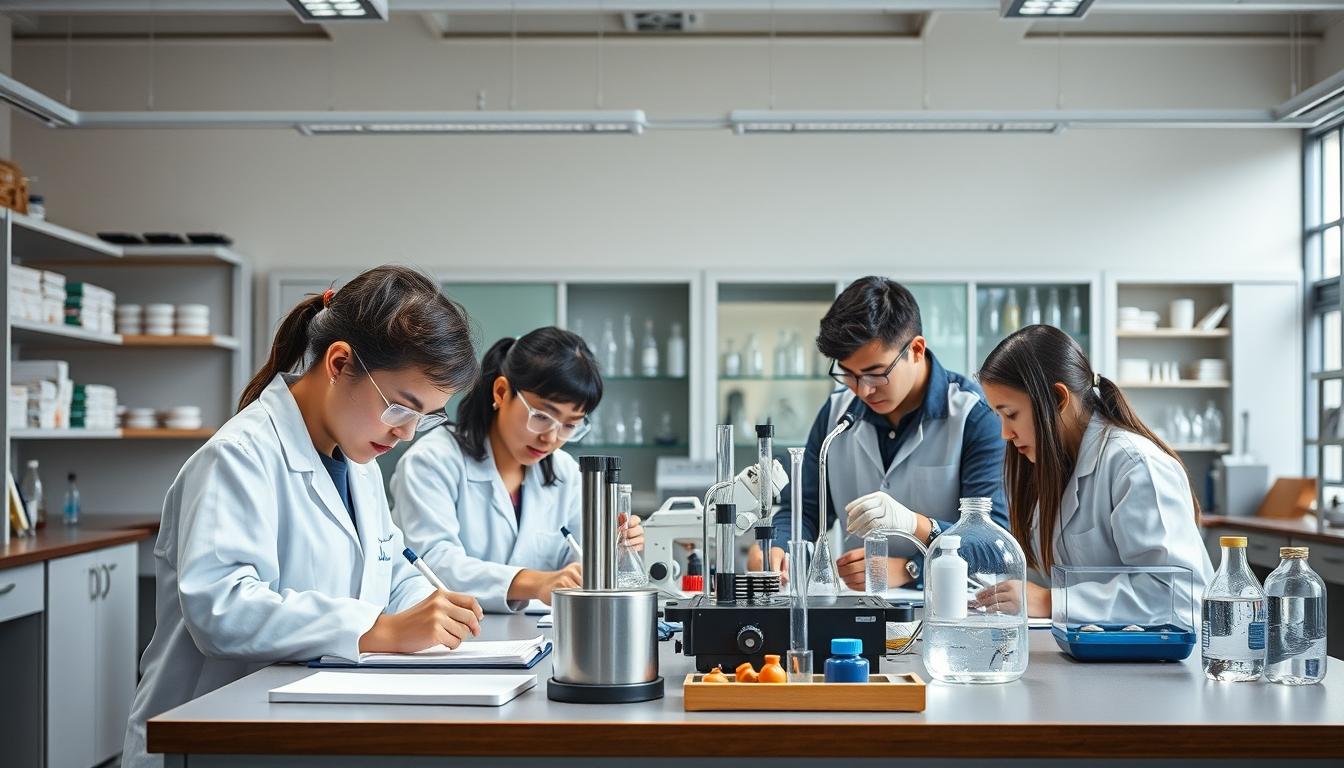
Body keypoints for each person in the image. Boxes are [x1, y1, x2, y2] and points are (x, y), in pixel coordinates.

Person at [122, 266, 484, 768]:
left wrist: (433, 608)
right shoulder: (239, 456)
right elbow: (221, 610)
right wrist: (377, 630)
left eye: (425, 418)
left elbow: (391, 566)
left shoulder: (358, 461)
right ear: (339, 363)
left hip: (309, 724)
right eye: (401, 409)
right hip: (212, 737)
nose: (407, 434)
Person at [752, 276, 1007, 591]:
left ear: (916, 349)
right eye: (848, 374)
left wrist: (912, 568)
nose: (863, 390)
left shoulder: (974, 416)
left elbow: (994, 546)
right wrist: (778, 546)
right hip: (861, 607)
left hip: (949, 612)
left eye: (875, 373)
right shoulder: (835, 413)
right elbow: (803, 510)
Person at [391, 327, 643, 612]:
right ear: (501, 392)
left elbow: (576, 563)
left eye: (570, 425)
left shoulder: (565, 473)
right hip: (449, 638)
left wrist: (615, 547)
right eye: (541, 416)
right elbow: (433, 562)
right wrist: (536, 583)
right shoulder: (432, 461)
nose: (551, 437)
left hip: (537, 636)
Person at [976, 324, 1214, 619]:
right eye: (999, 416)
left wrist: (1052, 602)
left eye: (1011, 414)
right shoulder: (1055, 467)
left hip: (1157, 663)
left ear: (1059, 399)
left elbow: (1177, 596)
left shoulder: (1135, 465)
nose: (1004, 433)